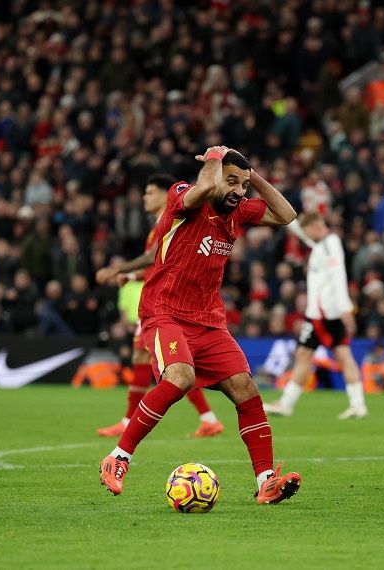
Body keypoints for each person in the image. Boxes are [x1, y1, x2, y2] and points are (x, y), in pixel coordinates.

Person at [99, 146, 302, 504]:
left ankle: (266, 481)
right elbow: (204, 190)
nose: (239, 192)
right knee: (180, 376)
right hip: (165, 311)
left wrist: (251, 177)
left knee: (246, 388)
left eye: (243, 185)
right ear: (214, 174)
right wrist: (213, 162)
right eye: (232, 182)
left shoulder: (236, 213)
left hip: (209, 319)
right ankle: (117, 458)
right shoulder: (181, 195)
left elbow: (286, 214)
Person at [94, 173, 224, 439]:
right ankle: (206, 418)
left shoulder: (172, 220)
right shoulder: (161, 224)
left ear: (166, 195)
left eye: (150, 192)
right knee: (156, 362)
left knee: (173, 368)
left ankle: (129, 422)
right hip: (164, 302)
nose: (145, 197)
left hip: (164, 306)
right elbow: (161, 265)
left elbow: (153, 257)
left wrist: (119, 269)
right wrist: (132, 276)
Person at [263, 211, 367, 419]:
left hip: (323, 314)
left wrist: (346, 307)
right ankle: (358, 405)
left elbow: (338, 276)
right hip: (328, 312)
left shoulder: (329, 244)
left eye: (307, 231)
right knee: (340, 355)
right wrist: (282, 214)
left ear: (316, 227)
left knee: (305, 355)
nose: (305, 236)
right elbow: (301, 233)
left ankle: (286, 404)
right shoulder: (322, 243)